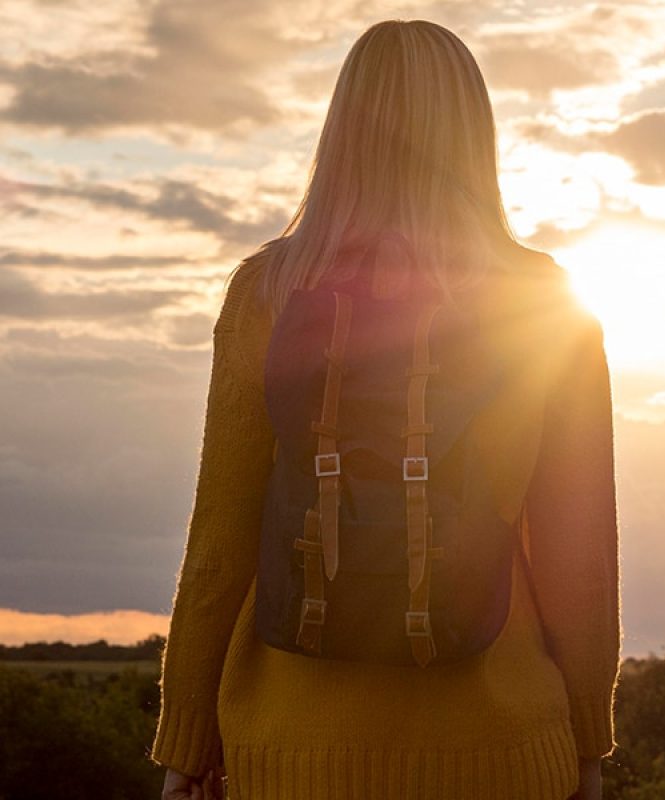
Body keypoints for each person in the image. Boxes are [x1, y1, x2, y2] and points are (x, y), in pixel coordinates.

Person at [150, 19, 621, 800]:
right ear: (474, 133)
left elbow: (219, 539)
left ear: (342, 128)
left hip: (292, 752)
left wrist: (187, 745)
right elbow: (578, 552)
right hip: (498, 751)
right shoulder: (544, 303)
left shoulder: (266, 293)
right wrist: (586, 741)